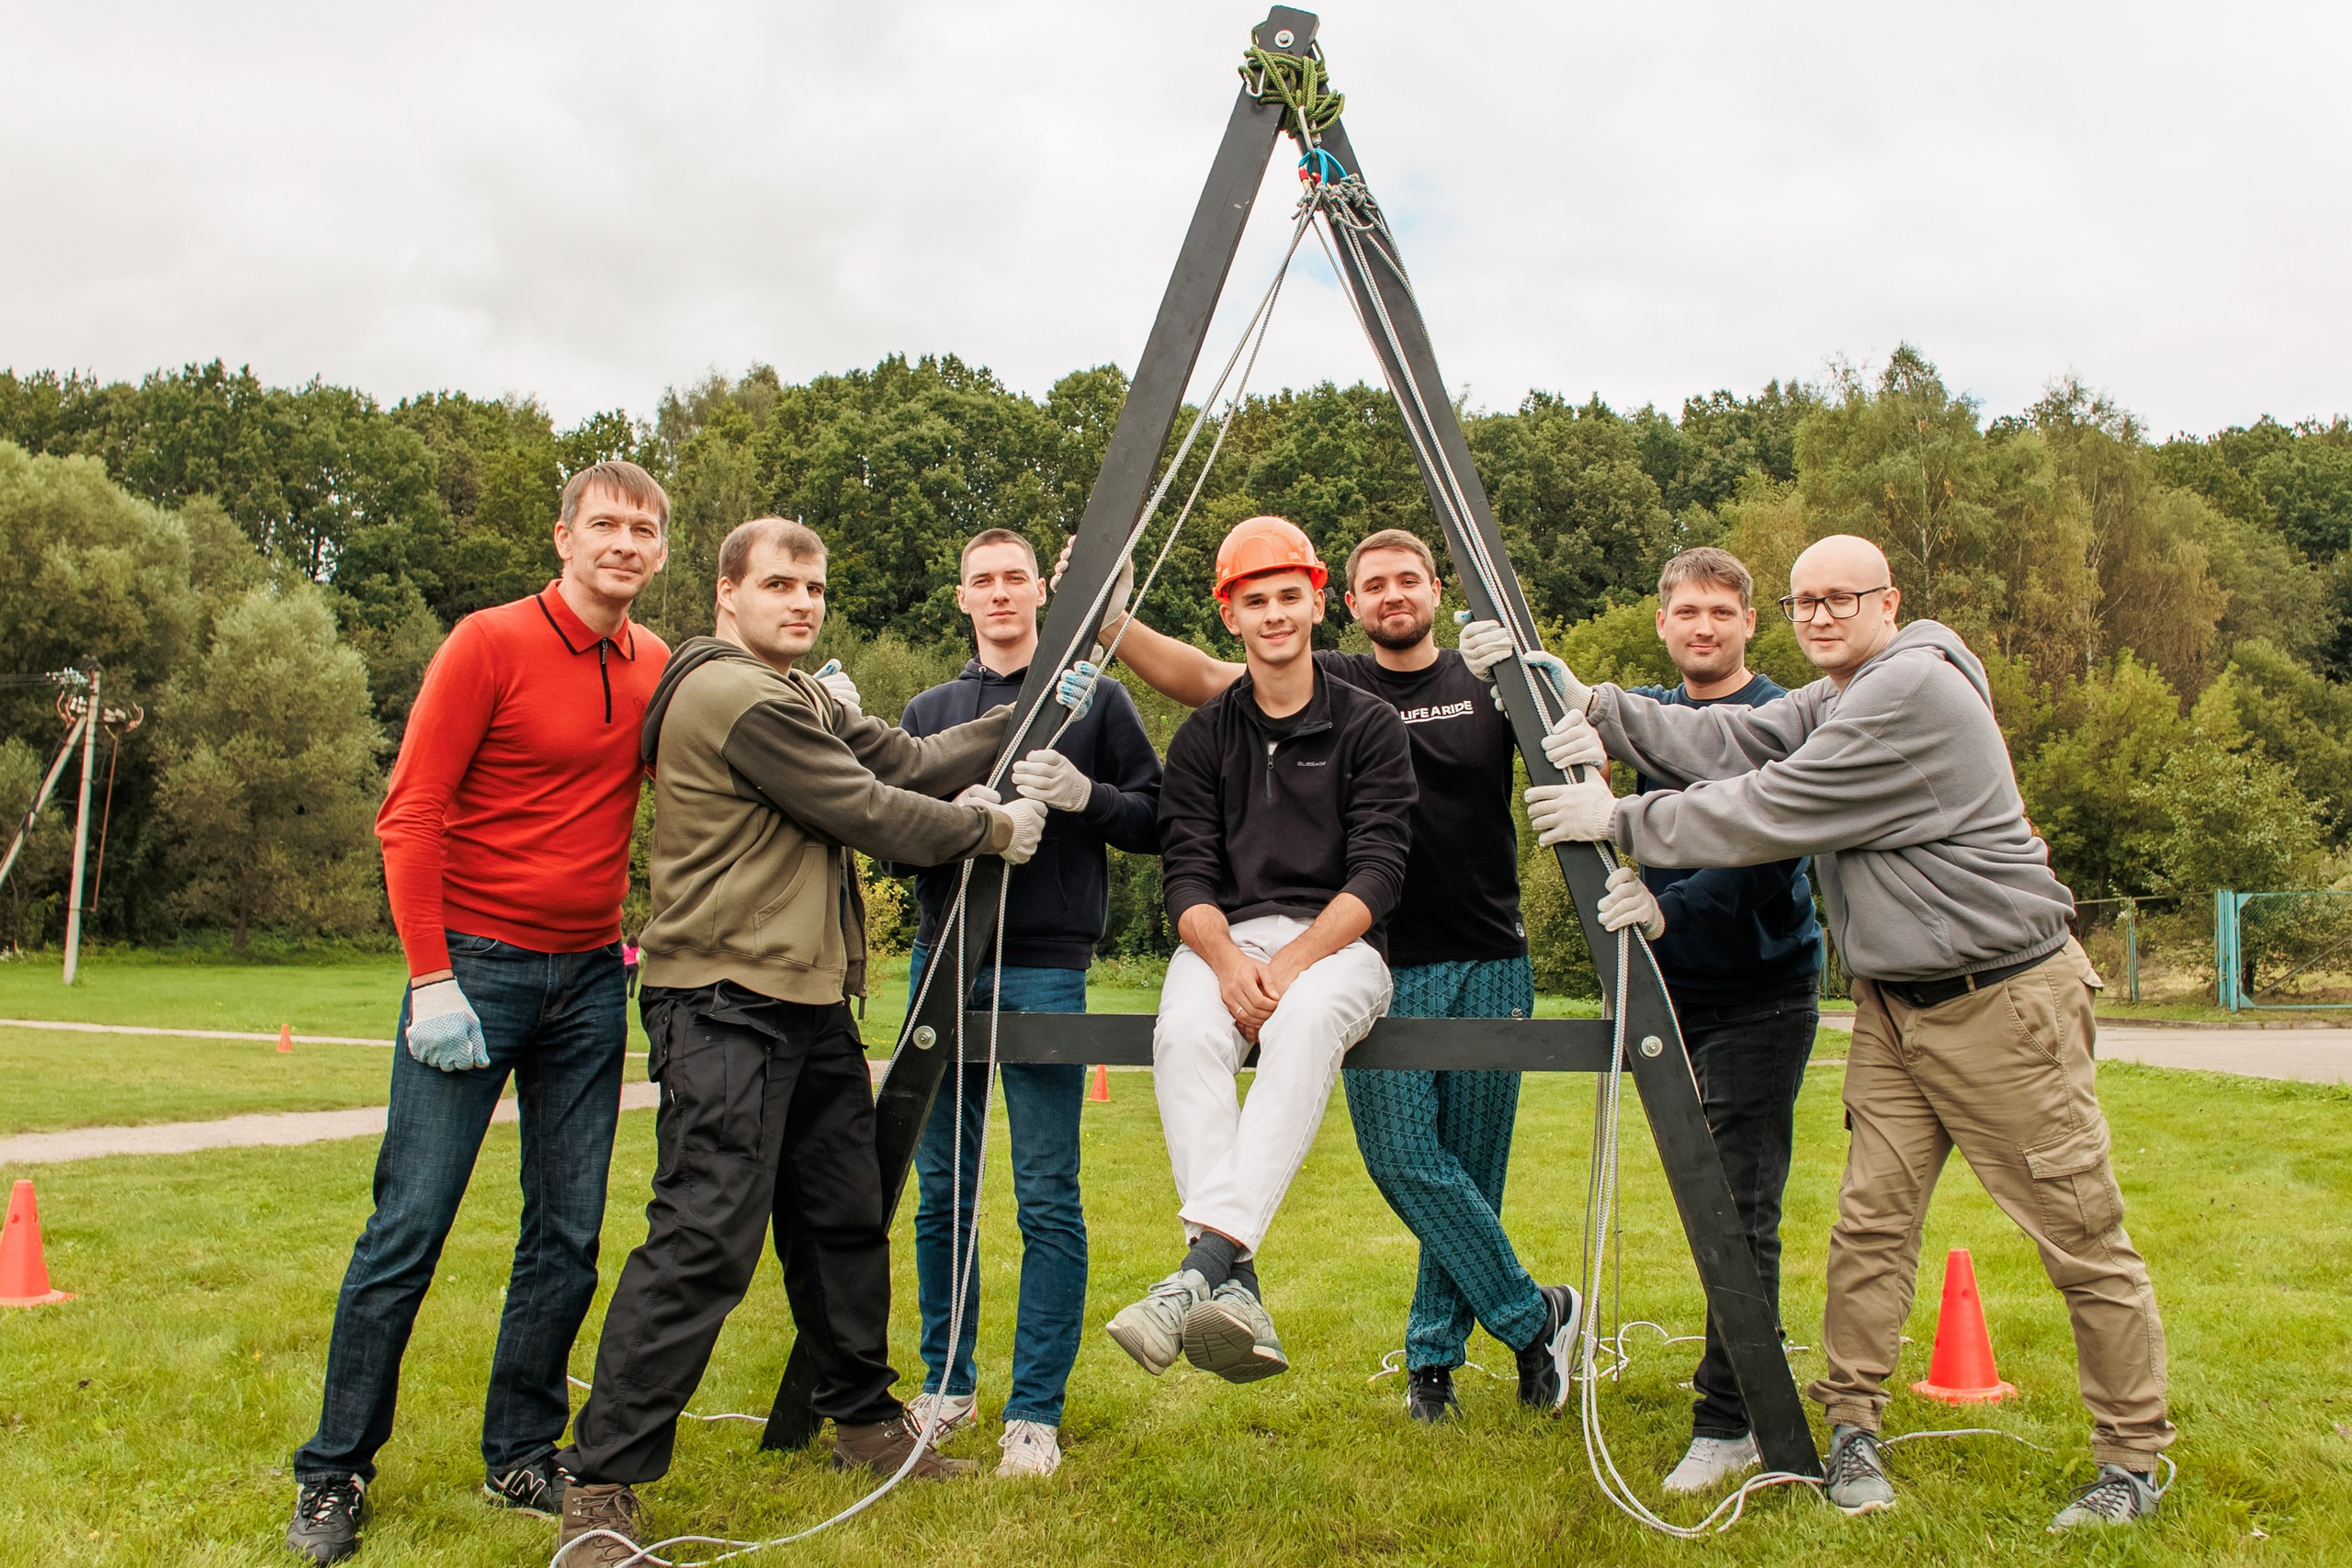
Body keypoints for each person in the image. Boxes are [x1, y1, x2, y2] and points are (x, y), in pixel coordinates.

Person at [1497, 534, 2174, 1529]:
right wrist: (1595, 704)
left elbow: (1778, 804)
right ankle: (1851, 1428)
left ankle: (2132, 1462)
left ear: (1887, 601)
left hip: (2002, 1004)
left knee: (2078, 1236)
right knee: (1870, 1228)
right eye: (1804, 599)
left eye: (1839, 599)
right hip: (1896, 1007)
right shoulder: (1849, 689)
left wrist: (1622, 821)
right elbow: (1738, 740)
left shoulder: (1908, 695)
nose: (1818, 616)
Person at [552, 518, 1049, 1566]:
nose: (803, 601)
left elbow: (914, 755)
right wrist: (989, 828)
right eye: (779, 583)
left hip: (807, 1000)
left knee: (841, 1219)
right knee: (703, 1239)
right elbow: (871, 809)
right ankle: (600, 1487)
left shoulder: (804, 695)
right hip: (723, 1000)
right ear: (725, 594)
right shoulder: (731, 694)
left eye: (815, 586)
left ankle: (864, 1425)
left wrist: (1040, 690)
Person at [1065, 527, 1581, 1418]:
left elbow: (1576, 754)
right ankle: (1525, 1318)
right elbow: (1199, 677)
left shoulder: (1483, 682)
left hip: (1485, 947)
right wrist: (1107, 617)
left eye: (1408, 580)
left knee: (1472, 1169)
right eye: (1373, 584)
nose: (1392, 596)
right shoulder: (1336, 679)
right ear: (1341, 602)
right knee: (1405, 1161)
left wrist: (1544, 679)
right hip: (1377, 951)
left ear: (1435, 586)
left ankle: (1449, 1355)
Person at [287, 462, 673, 1563]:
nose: (625, 542)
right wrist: (429, 976)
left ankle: (521, 1452)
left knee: (566, 1235)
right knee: (408, 1227)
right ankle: (333, 1473)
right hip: (475, 971)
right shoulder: (488, 643)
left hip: (594, 977)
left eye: (644, 528)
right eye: (605, 523)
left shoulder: (652, 663)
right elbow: (409, 814)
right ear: (563, 537)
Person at [1466, 546, 1820, 1487]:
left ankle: (1731, 1418)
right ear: (1661, 623)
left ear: (1749, 623)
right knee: (1703, 1196)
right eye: (1686, 612)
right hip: (1667, 989)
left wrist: (1674, 908)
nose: (1703, 626)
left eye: (1721, 611)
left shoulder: (1775, 717)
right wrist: (1516, 692)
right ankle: (1752, 1359)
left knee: (1738, 1204)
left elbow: (1765, 846)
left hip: (1759, 988)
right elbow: (1614, 808)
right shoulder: (1650, 721)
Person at [1088, 515, 1415, 1385]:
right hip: (1225, 936)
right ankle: (1239, 1287)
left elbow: (1380, 870)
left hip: (1338, 945)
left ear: (1316, 603)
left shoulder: (1371, 725)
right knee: (1186, 1035)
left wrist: (1296, 959)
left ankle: (1196, 1273)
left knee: (1303, 1023)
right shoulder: (1203, 738)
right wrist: (1231, 964)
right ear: (1229, 616)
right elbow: (1186, 879)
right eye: (1254, 600)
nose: (1274, 614)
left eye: (1287, 597)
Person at [888, 527, 1162, 1479]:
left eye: (1014, 578)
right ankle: (947, 1387)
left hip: (1048, 965)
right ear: (960, 598)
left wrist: (1087, 796)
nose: (999, 593)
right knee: (940, 1196)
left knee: (1047, 1196)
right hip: (943, 960)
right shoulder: (929, 708)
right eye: (982, 581)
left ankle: (1034, 1413)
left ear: (1040, 594)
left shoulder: (1097, 698)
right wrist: (957, 819)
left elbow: (1157, 818)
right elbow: (885, 841)